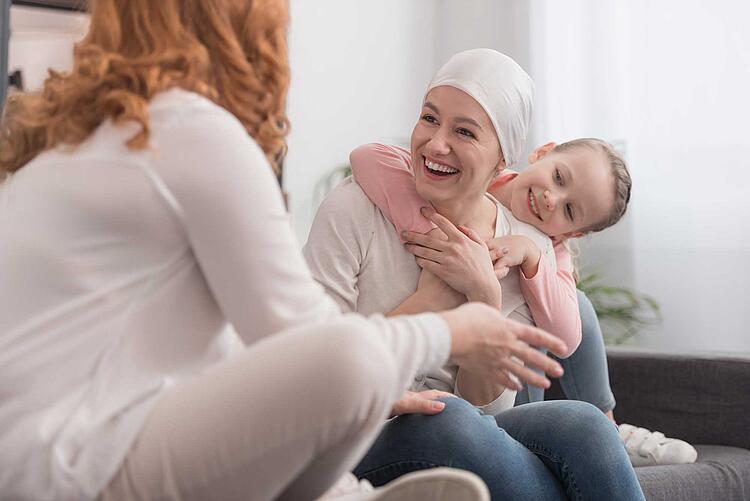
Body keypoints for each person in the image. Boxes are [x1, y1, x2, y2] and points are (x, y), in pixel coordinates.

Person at [0, 2, 576, 500]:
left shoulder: (88, 135)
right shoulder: (193, 134)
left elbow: (234, 349)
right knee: (356, 379)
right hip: (68, 464)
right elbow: (316, 351)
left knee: (572, 424)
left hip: (37, 451)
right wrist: (454, 330)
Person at [304, 48, 645, 499]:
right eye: (429, 118)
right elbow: (312, 367)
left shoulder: (522, 247)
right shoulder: (354, 207)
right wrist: (430, 304)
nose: (436, 144)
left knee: (583, 423)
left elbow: (489, 405)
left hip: (468, 422)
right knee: (451, 419)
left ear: (503, 158)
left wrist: (484, 297)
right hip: (354, 429)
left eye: (464, 132)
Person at [350, 139, 697, 468]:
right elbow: (366, 156)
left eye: (569, 210)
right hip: (453, 379)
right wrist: (436, 231)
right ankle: (604, 433)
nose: (551, 199)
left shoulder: (548, 246)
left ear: (571, 233)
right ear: (543, 152)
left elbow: (566, 338)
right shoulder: (472, 179)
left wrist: (531, 255)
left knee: (576, 305)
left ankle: (608, 430)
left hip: (508, 393)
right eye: (559, 177)